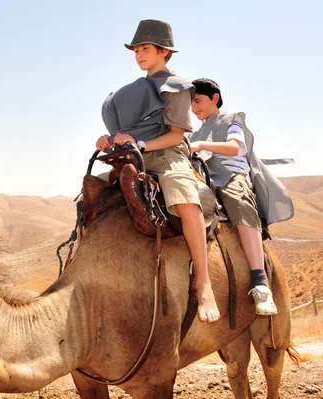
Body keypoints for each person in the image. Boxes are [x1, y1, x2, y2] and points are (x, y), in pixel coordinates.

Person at [96, 19, 220, 323]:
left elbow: (176, 136)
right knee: (91, 194)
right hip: (133, 159)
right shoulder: (127, 94)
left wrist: (138, 141)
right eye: (136, 49)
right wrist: (109, 142)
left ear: (164, 52)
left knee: (186, 202)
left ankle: (203, 283)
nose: (139, 54)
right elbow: (123, 134)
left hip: (167, 156)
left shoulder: (178, 86)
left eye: (145, 48)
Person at [189, 78, 294, 315]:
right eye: (191, 105)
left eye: (198, 101)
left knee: (238, 200)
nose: (194, 108)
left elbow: (234, 147)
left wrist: (200, 145)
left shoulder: (232, 118)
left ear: (214, 98)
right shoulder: (196, 132)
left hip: (231, 176)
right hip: (204, 178)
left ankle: (260, 284)